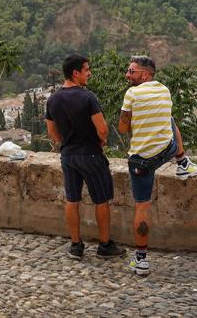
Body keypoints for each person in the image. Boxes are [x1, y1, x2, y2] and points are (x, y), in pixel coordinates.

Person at [118, 55, 197, 276]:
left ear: (145, 74)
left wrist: (132, 116)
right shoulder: (164, 90)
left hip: (141, 160)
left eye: (131, 72)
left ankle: (142, 260)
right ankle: (183, 162)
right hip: (166, 151)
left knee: (142, 206)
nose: (127, 75)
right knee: (171, 121)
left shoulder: (131, 94)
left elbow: (123, 128)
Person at [45, 54, 125, 261]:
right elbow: (103, 129)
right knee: (101, 200)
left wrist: (67, 142)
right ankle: (105, 245)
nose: (89, 73)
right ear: (76, 73)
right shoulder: (88, 97)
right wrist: (100, 141)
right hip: (90, 154)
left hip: (68, 155)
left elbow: (52, 134)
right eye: (87, 69)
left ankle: (75, 245)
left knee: (72, 199)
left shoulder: (53, 99)